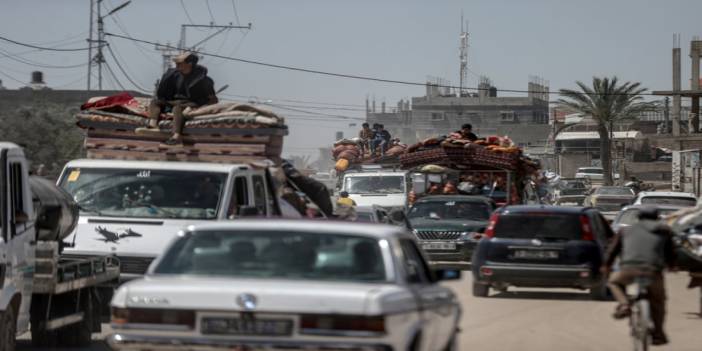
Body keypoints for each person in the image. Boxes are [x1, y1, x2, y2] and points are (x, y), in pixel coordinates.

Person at [602, 206, 676, 346]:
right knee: (658, 302)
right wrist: (672, 266)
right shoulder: (664, 231)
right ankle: (658, 334)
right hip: (653, 271)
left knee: (613, 282)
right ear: (657, 218)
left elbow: (612, 251)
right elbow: (671, 253)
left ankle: (624, 305)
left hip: (628, 269)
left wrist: (606, 266)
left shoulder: (625, 230)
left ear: (639, 218)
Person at [139, 52, 219, 145]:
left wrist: (205, 106)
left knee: (177, 108)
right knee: (156, 102)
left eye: (180, 63)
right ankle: (153, 125)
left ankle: (176, 136)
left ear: (189, 64)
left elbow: (213, 99)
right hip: (175, 101)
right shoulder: (174, 76)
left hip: (192, 103)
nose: (176, 65)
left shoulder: (204, 80)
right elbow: (163, 93)